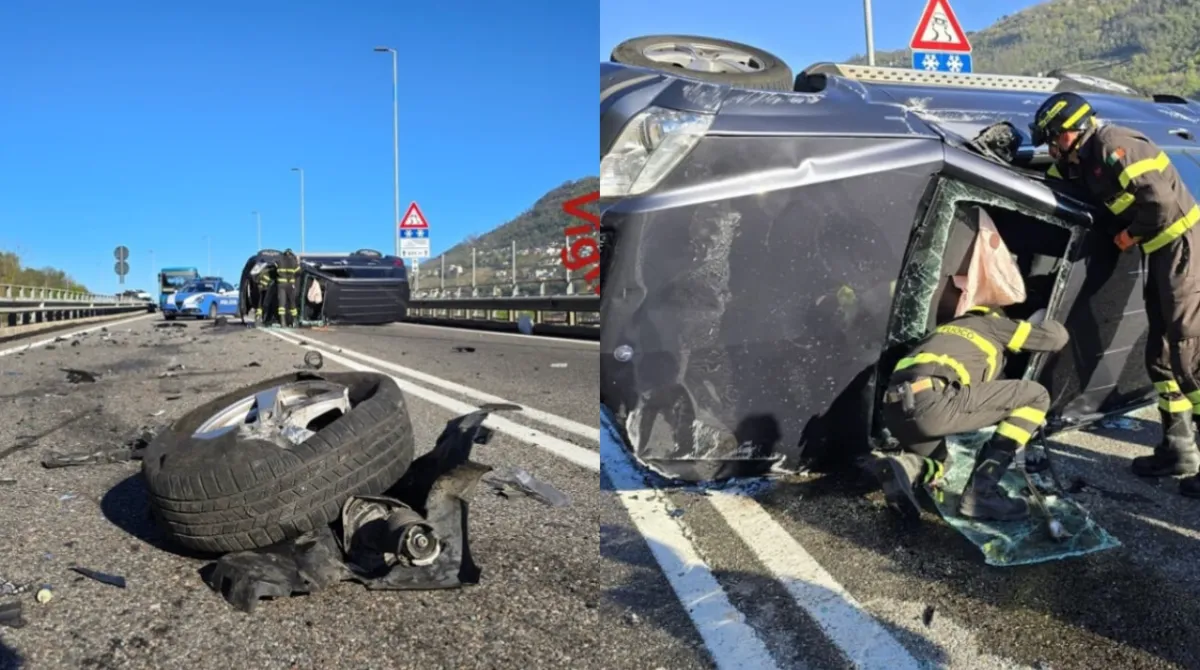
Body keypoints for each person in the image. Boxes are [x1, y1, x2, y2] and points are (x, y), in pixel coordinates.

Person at [1028, 92, 1200, 494]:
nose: (1052, 148)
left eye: (1053, 139)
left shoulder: (1112, 145)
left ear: (1073, 130)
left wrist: (1128, 235)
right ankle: (1178, 449)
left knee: (1189, 354)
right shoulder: (1082, 162)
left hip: (1182, 248)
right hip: (1160, 252)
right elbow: (1055, 184)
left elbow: (1159, 204)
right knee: (1161, 357)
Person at [871, 305, 1070, 521]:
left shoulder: (940, 333)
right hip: (933, 402)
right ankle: (982, 494)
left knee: (940, 464)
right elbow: (1055, 337)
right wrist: (1046, 319)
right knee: (1036, 396)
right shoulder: (990, 324)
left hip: (895, 410)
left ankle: (905, 467)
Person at [276, 249, 300, 327]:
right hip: (290, 285)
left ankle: (283, 322)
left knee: (282, 304)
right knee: (292, 303)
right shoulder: (293, 261)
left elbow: (275, 269)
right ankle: (295, 321)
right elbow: (298, 272)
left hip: (281, 285)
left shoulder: (279, 260)